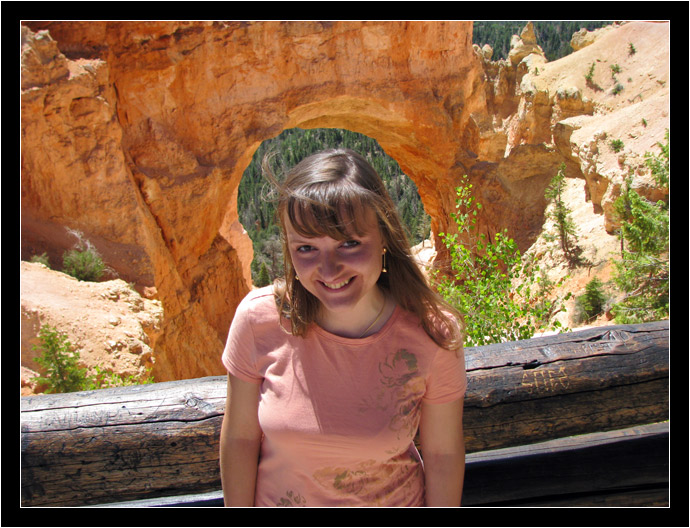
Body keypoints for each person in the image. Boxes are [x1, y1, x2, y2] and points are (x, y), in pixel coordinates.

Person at [219, 148, 467, 507]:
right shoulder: (260, 321)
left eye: (349, 243)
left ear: (384, 238)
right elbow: (240, 438)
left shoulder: (432, 336)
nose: (329, 269)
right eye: (306, 248)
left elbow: (443, 454)